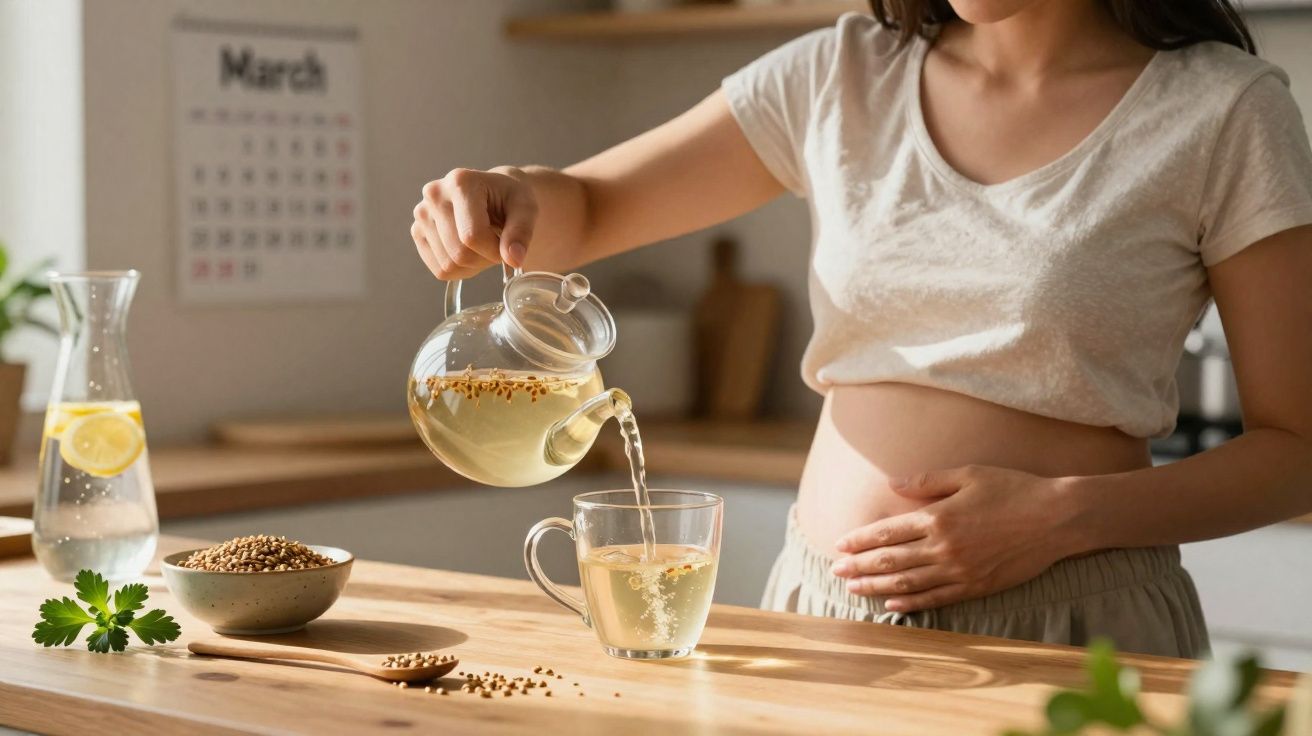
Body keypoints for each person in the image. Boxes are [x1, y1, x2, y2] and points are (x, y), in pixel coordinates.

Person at [410, 0, 1312, 658]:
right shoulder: (839, 73)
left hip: (1080, 629)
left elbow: (1297, 449)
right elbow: (594, 206)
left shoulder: (1223, 112)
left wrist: (1061, 519)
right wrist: (508, 197)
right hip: (822, 614)